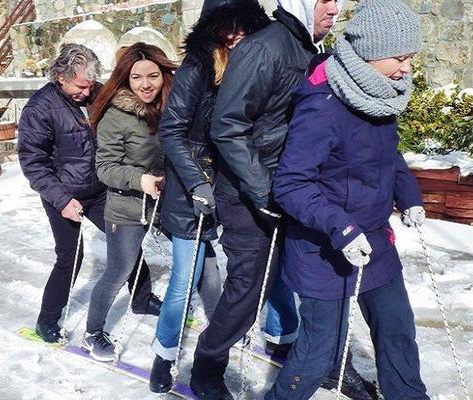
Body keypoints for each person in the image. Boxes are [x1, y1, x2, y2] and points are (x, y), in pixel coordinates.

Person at [188, 0, 379, 398]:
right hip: (251, 197)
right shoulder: (265, 48)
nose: (334, 8)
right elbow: (227, 126)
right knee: (248, 291)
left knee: (327, 282)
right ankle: (206, 367)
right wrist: (262, 189)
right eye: (324, 0)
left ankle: (330, 364)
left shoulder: (312, 49)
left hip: (301, 191)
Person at [265, 0, 430, 398]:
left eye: (410, 58)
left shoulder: (381, 95)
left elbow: (387, 155)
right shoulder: (323, 107)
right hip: (323, 248)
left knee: (397, 330)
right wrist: (341, 227)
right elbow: (291, 184)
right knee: (318, 353)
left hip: (373, 239)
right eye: (400, 58)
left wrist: (409, 197)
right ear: (371, 53)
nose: (406, 68)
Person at [151, 0, 271, 393]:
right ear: (212, 29)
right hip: (195, 188)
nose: (235, 35)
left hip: (236, 186)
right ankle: (164, 355)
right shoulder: (198, 66)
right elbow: (171, 131)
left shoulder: (252, 63)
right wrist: (199, 183)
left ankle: (279, 339)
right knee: (185, 280)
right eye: (226, 27)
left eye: (243, 26)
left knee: (249, 276)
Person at [17, 44, 160, 344]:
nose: (87, 91)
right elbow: (33, 161)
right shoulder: (39, 108)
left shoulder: (98, 94)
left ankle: (142, 299)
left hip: (99, 188)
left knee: (128, 242)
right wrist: (61, 200)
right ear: (60, 76)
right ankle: (47, 321)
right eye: (81, 86)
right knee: (70, 256)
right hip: (63, 194)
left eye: (91, 85)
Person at [78, 43, 176, 361]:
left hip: (163, 203)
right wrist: (141, 180)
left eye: (152, 75)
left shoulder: (170, 106)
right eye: (136, 78)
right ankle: (92, 333)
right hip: (126, 207)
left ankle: (142, 301)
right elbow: (105, 168)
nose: (145, 84)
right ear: (125, 79)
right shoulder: (115, 115)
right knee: (119, 271)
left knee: (199, 256)